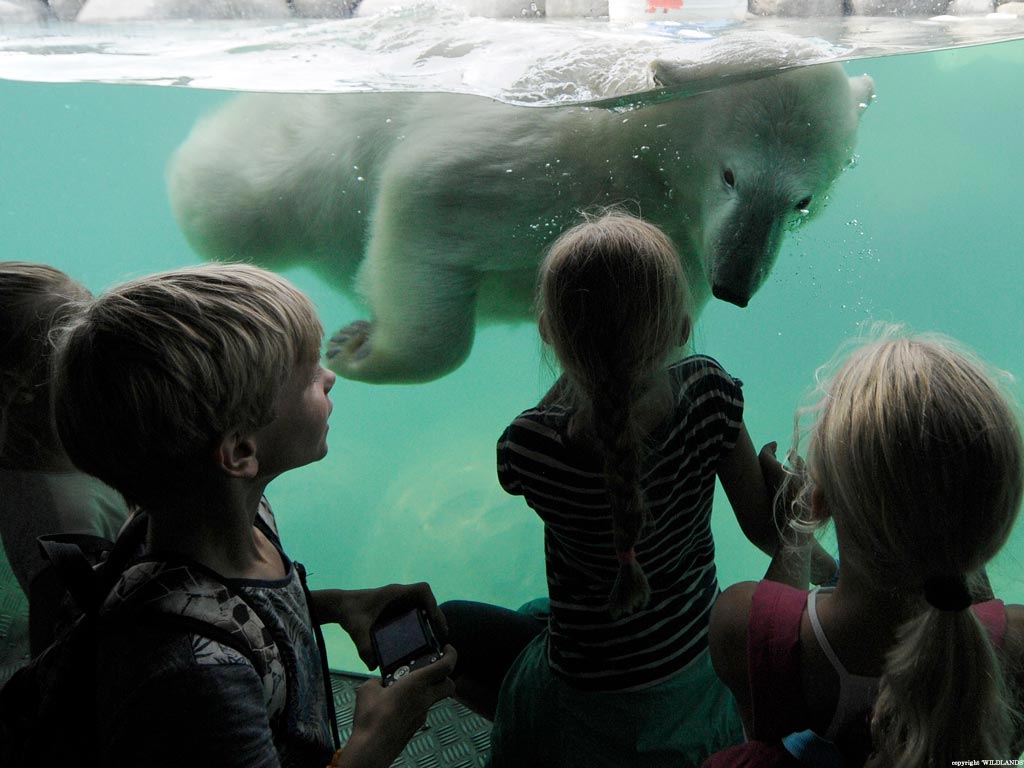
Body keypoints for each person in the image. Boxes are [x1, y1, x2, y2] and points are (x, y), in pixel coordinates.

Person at [443, 211, 832, 767]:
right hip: (693, 692)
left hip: (574, 706)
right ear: (679, 329)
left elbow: (539, 441)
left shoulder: (528, 448)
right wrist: (817, 550)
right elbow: (762, 529)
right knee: (535, 614)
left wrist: (588, 351)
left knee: (462, 624)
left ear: (549, 333)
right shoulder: (709, 395)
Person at [49, 263, 457, 767]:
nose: (329, 376)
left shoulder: (239, 514)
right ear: (241, 452)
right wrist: (375, 739)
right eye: (309, 375)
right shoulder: (194, 679)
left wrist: (331, 606)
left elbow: (236, 605)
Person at [707, 327, 1024, 766]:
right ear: (993, 526)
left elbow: (773, 623)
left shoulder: (736, 624)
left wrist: (796, 530)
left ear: (820, 501)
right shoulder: (1016, 649)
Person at [0, 262, 131, 656]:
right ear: (20, 386)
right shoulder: (64, 524)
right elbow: (69, 666)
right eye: (83, 344)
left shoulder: (42, 474)